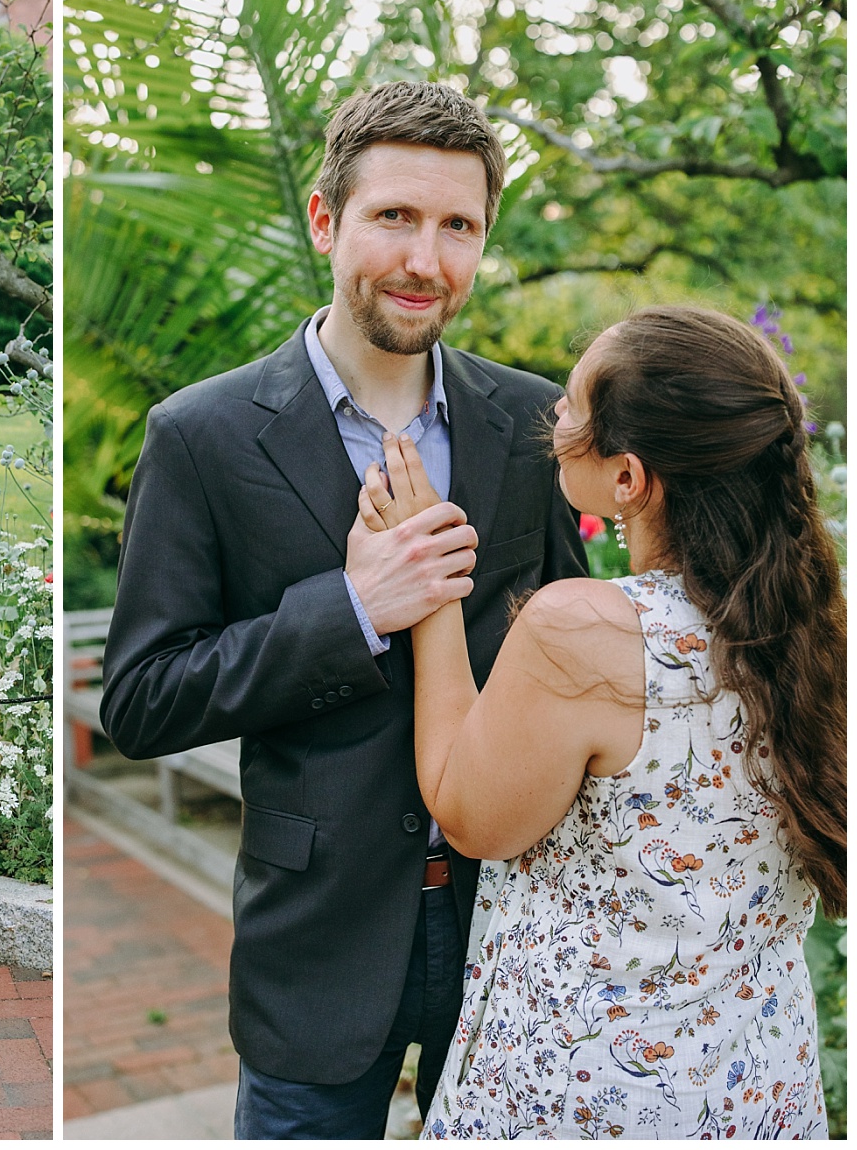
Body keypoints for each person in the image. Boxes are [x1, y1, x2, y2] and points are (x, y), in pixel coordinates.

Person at [99, 80, 587, 1138]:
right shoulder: (202, 436)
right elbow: (138, 699)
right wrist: (354, 607)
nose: (426, 259)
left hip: (508, 935)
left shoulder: (533, 422)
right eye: (395, 217)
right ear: (326, 219)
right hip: (313, 949)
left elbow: (567, 646)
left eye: (457, 225)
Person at [359, 305, 843, 1139]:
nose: (554, 416)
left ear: (627, 478)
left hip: (591, 1096)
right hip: (760, 1088)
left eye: (575, 406)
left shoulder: (585, 630)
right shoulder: (818, 623)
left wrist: (433, 585)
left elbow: (466, 813)